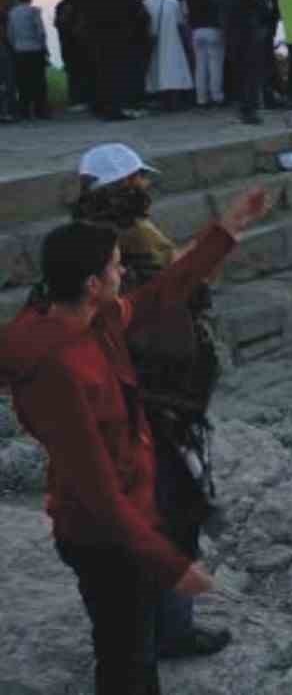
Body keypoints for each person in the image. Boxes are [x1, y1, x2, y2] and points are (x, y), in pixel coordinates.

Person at [0, 184, 270, 695]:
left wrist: (227, 231)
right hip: (102, 536)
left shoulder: (94, 321)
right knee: (125, 661)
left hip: (129, 516)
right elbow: (95, 488)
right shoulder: (58, 369)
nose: (123, 273)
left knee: (133, 643)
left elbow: (161, 293)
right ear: (92, 283)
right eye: (116, 267)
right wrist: (170, 564)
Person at [70, 144, 232, 661]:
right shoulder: (132, 237)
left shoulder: (76, 241)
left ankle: (141, 627)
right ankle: (168, 631)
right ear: (123, 186)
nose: (146, 186)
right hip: (151, 397)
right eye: (139, 179)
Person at [218, 0, 272, 125]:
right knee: (251, 72)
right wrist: (267, 16)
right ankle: (250, 110)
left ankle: (242, 107)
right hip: (249, 31)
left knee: (238, 72)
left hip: (230, 32)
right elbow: (261, 2)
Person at [142, 0, 194, 110]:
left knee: (156, 71)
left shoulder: (146, 2)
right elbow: (180, 23)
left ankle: (161, 101)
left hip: (153, 41)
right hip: (173, 41)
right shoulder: (173, 2)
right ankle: (174, 102)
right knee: (173, 71)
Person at [6, 0, 51, 120]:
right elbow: (41, 32)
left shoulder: (12, 13)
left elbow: (10, 34)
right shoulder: (34, 11)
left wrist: (15, 47)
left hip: (20, 51)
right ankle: (40, 110)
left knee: (23, 82)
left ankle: (25, 110)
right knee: (38, 81)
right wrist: (44, 48)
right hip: (35, 50)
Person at [184, 0, 224, 109]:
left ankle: (201, 98)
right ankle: (216, 96)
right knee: (215, 66)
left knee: (200, 66)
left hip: (196, 31)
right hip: (212, 29)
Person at [55, 0, 91, 109]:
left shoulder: (62, 5)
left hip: (70, 45)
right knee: (78, 72)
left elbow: (58, 24)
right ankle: (79, 99)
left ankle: (78, 100)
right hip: (75, 45)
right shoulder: (81, 4)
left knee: (75, 73)